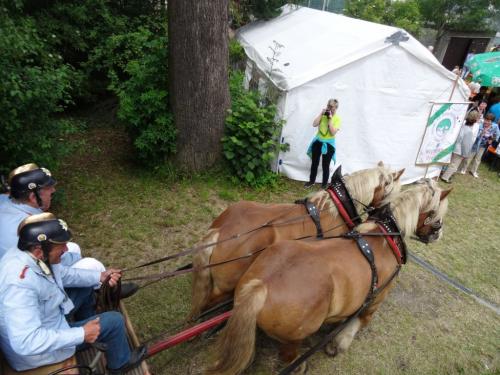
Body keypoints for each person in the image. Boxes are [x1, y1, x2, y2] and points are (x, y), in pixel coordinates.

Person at [0, 213, 146, 374]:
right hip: (39, 353)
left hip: (49, 318)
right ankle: (120, 364)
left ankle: (92, 328)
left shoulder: (29, 255)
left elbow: (62, 274)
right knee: (115, 320)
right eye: (60, 246)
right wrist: (81, 334)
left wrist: (99, 276)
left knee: (85, 285)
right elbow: (26, 342)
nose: (66, 249)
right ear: (38, 250)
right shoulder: (19, 286)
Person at [0, 163, 138, 297]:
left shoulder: (8, 203)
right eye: (48, 188)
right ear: (32, 197)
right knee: (92, 265)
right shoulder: (26, 229)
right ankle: (105, 291)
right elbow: (54, 272)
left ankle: (98, 287)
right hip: (31, 284)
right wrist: (97, 275)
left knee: (73, 247)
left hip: (18, 269)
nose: (53, 190)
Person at [305, 98, 341, 189]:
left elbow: (332, 132)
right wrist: (321, 114)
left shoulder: (337, 119)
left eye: (331, 106)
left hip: (329, 144)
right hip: (318, 141)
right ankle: (311, 181)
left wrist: (330, 119)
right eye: (328, 105)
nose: (329, 108)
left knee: (326, 165)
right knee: (314, 162)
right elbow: (314, 124)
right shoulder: (323, 115)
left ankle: (324, 185)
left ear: (336, 107)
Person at [440, 111, 481, 183]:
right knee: (454, 165)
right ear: (474, 120)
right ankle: (445, 177)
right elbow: (466, 144)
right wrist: (465, 154)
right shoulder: (469, 131)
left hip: (454, 147)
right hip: (459, 150)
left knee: (449, 162)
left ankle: (443, 173)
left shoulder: (462, 126)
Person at [466, 112, 500, 178]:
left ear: (492, 122)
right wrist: (482, 133)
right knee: (470, 156)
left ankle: (473, 171)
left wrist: (492, 139)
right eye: (486, 120)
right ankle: (464, 168)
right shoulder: (480, 124)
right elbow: (475, 135)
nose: (486, 122)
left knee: (478, 158)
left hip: (483, 145)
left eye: (489, 121)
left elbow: (498, 135)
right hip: (475, 143)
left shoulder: (495, 126)